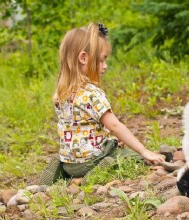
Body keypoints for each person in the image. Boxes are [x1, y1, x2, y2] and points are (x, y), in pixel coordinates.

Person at [40, 22, 165, 185]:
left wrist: (109, 138)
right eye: (101, 60)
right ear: (83, 58)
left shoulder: (61, 93)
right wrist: (144, 151)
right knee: (133, 158)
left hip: (70, 162)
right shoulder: (91, 93)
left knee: (77, 157)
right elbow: (115, 126)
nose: (105, 66)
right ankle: (98, 173)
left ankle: (54, 174)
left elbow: (84, 127)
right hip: (92, 161)